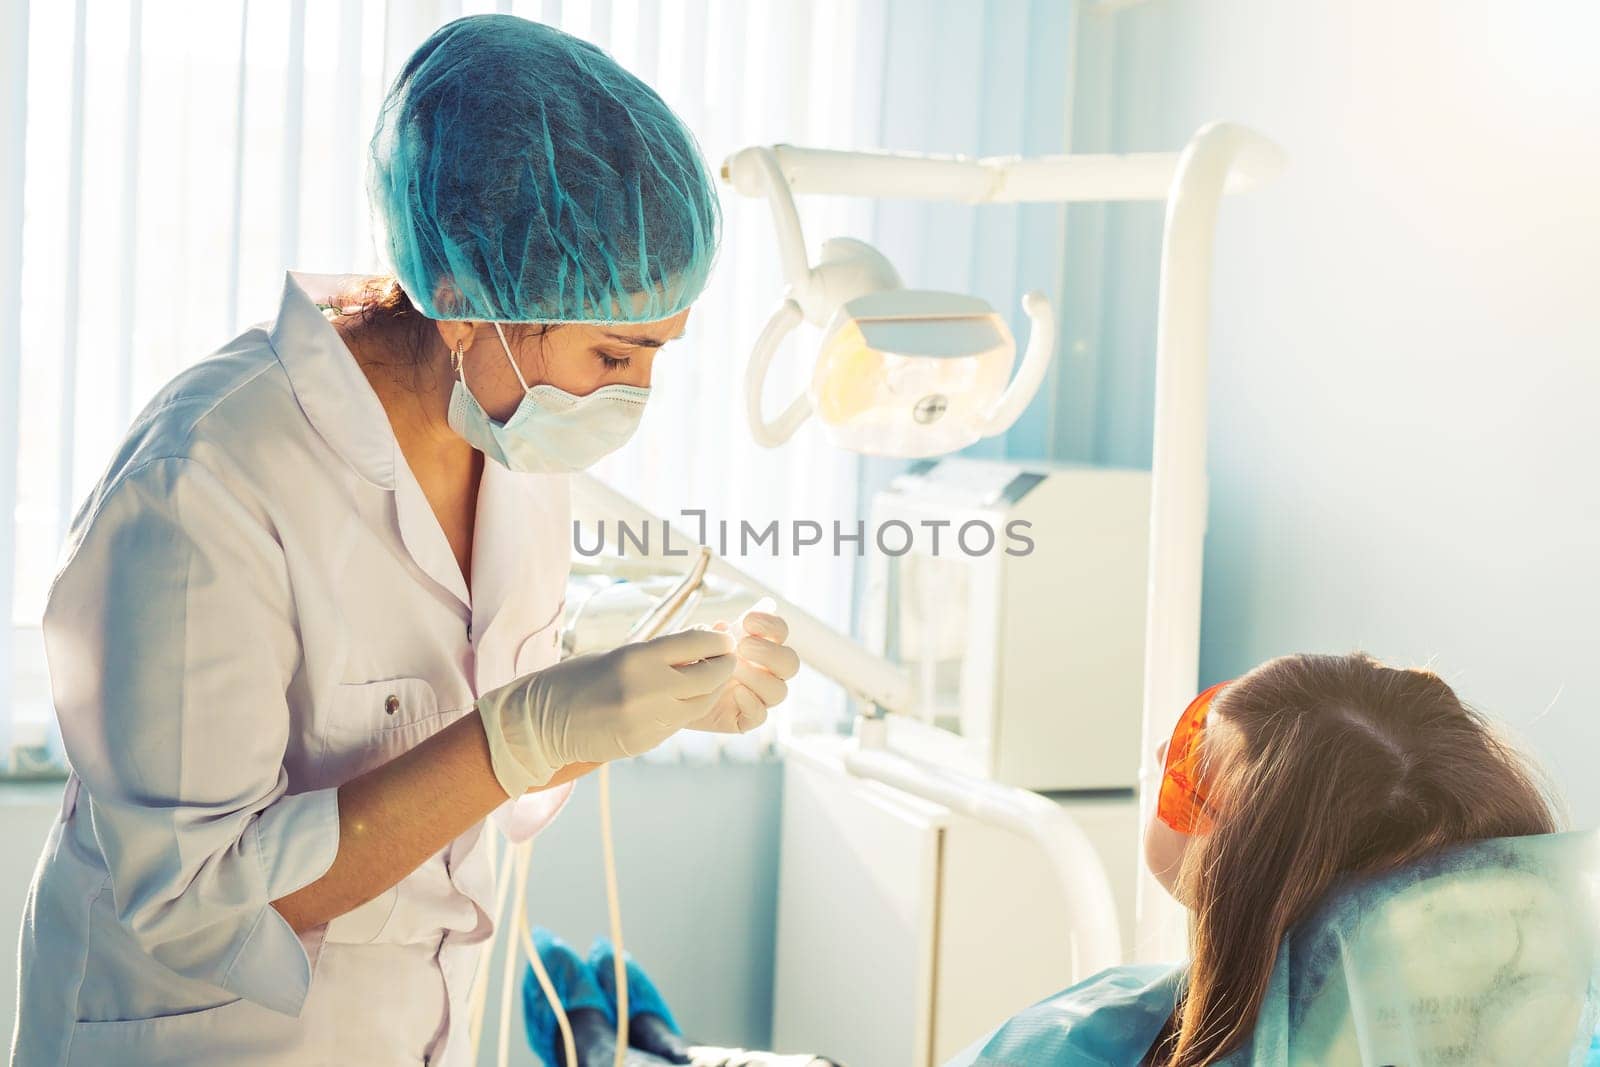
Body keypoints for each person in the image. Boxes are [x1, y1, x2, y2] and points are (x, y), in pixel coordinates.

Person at [11, 15, 798, 1067]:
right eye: (614, 352)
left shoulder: (512, 442)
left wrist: (624, 690)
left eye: (658, 353)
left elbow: (476, 717)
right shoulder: (207, 478)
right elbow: (196, 904)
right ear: (469, 298)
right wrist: (522, 732)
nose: (638, 396)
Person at [950, 652, 1597, 1066]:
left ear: (1253, 880)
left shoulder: (1075, 1043)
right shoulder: (1569, 1035)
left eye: (1189, 774)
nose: (1158, 756)